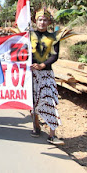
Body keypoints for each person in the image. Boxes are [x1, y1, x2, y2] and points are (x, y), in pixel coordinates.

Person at [30, 8, 64, 145]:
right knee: (33, 102)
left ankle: (52, 134)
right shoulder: (29, 36)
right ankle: (36, 126)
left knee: (49, 101)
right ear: (35, 21)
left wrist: (43, 65)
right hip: (32, 73)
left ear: (48, 22)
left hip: (46, 74)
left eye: (44, 20)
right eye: (40, 19)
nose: (42, 22)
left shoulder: (54, 37)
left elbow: (55, 55)